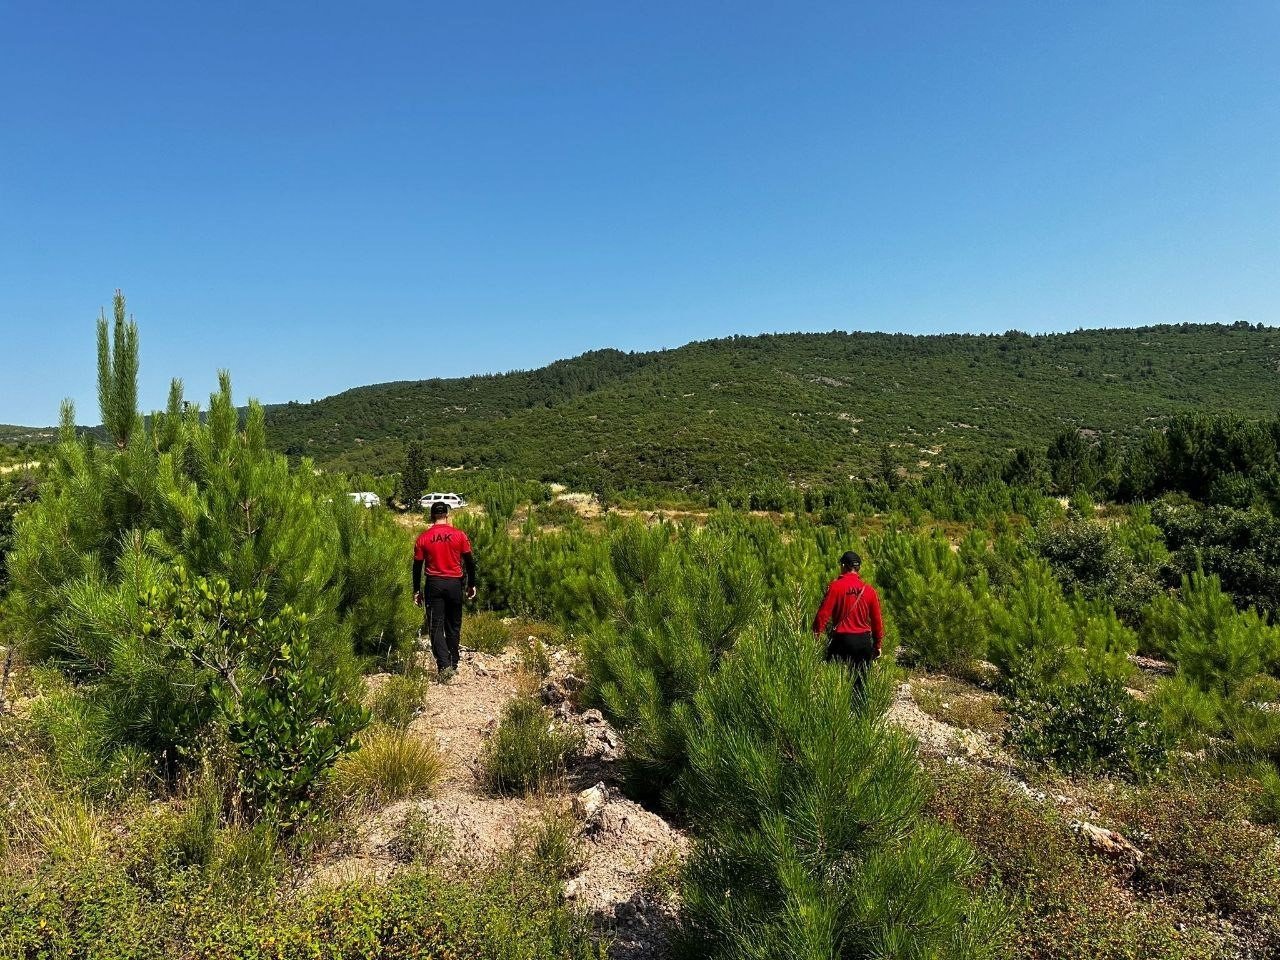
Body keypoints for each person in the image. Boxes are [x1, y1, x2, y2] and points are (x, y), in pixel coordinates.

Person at [413, 501, 477, 680]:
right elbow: (470, 563)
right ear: (447, 515)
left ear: (432, 516)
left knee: (435, 626)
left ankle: (444, 665)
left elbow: (417, 567)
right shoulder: (459, 535)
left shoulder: (423, 538)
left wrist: (416, 590)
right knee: (453, 625)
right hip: (454, 584)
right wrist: (471, 584)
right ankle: (453, 662)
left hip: (434, 584)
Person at [812, 550, 885, 693]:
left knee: (833, 684)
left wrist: (815, 636)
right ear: (858, 568)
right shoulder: (869, 590)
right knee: (860, 684)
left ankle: (835, 713)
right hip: (863, 641)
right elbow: (877, 621)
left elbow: (823, 615)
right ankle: (859, 713)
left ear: (844, 566)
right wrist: (877, 645)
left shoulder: (835, 587)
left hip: (841, 641)